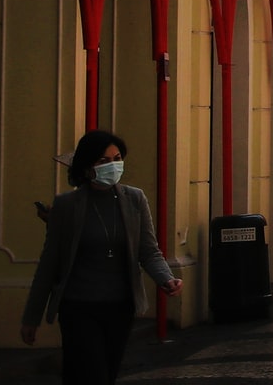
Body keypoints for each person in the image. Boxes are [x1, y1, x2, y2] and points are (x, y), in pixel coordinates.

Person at [19, 130, 183, 384]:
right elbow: (49, 263)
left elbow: (148, 250)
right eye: (104, 161)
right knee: (91, 373)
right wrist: (32, 317)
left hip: (120, 307)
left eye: (117, 158)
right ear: (87, 168)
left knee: (106, 373)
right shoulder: (67, 205)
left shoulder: (134, 199)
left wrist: (166, 279)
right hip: (78, 306)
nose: (113, 166)